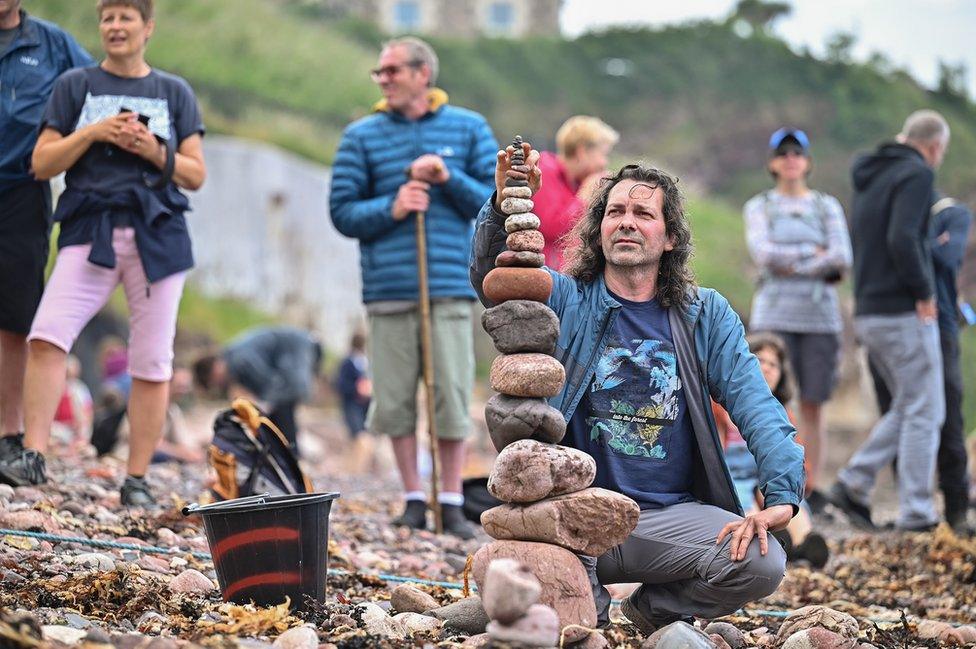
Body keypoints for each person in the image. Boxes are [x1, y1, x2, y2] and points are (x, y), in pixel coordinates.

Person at [471, 145, 805, 631]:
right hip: (573, 515)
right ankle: (590, 610)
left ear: (670, 237)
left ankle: (651, 613)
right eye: (615, 212)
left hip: (668, 520)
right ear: (598, 228)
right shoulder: (565, 297)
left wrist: (782, 494)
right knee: (533, 591)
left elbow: (756, 404)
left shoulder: (703, 314)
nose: (626, 222)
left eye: (643, 213)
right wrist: (503, 202)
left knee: (762, 561)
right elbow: (492, 277)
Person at [0, 0, 206, 509]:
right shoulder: (75, 85)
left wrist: (151, 148)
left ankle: (136, 477)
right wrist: (93, 131)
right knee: (47, 335)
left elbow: (196, 173)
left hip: (157, 235)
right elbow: (42, 161)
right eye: (107, 19)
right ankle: (32, 454)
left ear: (147, 27)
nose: (115, 27)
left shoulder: (173, 91)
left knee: (153, 360)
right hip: (90, 228)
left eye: (126, 18)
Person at [329, 36, 497, 538]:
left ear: (423, 74)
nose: (383, 79)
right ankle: (411, 499)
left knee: (448, 394)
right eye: (379, 72)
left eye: (392, 70)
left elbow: (493, 202)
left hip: (449, 286)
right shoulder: (361, 136)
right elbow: (341, 211)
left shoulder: (468, 128)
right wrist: (394, 206)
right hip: (387, 290)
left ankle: (448, 500)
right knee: (395, 400)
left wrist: (447, 177)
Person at [829, 110, 950, 532]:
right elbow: (903, 237)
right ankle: (917, 512)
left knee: (912, 404)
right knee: (925, 409)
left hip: (869, 309)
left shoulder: (872, 174)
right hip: (902, 309)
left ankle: (853, 482)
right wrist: (924, 292)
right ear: (934, 147)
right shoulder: (916, 174)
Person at [0, 0, 93, 462]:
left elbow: (98, 93)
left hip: (22, 190)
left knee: (15, 319)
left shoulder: (53, 45)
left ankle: (7, 436)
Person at [743, 128, 851, 506]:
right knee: (764, 399)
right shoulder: (759, 206)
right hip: (773, 316)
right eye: (783, 152)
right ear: (773, 162)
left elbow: (842, 257)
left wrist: (792, 259)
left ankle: (812, 486)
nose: (791, 159)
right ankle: (763, 482)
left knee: (813, 404)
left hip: (820, 319)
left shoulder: (827, 206)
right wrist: (813, 253)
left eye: (798, 152)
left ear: (807, 161)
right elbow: (763, 254)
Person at [867, 196, 973, 533]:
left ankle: (956, 511)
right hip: (895, 326)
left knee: (949, 419)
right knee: (899, 413)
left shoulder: (950, 212)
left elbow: (949, 254)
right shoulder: (892, 220)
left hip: (938, 327)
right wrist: (923, 243)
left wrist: (911, 245)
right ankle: (909, 510)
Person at [713, 333, 828, 568]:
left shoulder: (783, 414)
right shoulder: (721, 407)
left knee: (784, 496)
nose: (766, 369)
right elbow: (714, 451)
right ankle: (767, 539)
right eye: (759, 361)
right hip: (733, 475)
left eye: (773, 365)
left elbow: (792, 455)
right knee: (742, 496)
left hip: (764, 474)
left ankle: (803, 540)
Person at [192, 326, 322, 452]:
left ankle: (289, 451)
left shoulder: (239, 360)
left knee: (283, 397)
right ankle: (283, 448)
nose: (220, 385)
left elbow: (270, 384)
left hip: (297, 347)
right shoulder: (234, 359)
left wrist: (263, 405)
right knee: (278, 401)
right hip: (297, 346)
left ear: (214, 369)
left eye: (215, 382)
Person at [534, 116, 619, 269]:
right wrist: (584, 196)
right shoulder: (544, 171)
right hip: (546, 277)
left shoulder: (576, 181)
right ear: (582, 152)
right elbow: (552, 228)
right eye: (603, 154)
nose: (604, 163)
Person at [335, 331, 375, 474]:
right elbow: (340, 385)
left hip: (365, 406)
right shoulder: (348, 362)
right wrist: (357, 389)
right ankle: (354, 470)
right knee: (359, 437)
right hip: (352, 405)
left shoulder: (367, 361)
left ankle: (357, 469)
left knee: (361, 438)